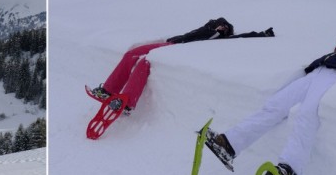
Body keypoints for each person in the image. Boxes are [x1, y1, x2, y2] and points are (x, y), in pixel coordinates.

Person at [204, 37, 336, 175]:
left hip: (332, 77)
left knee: (307, 115)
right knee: (275, 105)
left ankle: (288, 170)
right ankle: (229, 144)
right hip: (315, 73)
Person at [89, 18, 274, 114]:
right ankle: (108, 90)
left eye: (224, 28)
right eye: (220, 25)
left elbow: (240, 38)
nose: (220, 28)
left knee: (144, 62)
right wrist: (215, 26)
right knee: (132, 54)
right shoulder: (207, 29)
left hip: (178, 52)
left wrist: (261, 35)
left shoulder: (221, 41)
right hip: (172, 43)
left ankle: (127, 103)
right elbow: (211, 24)